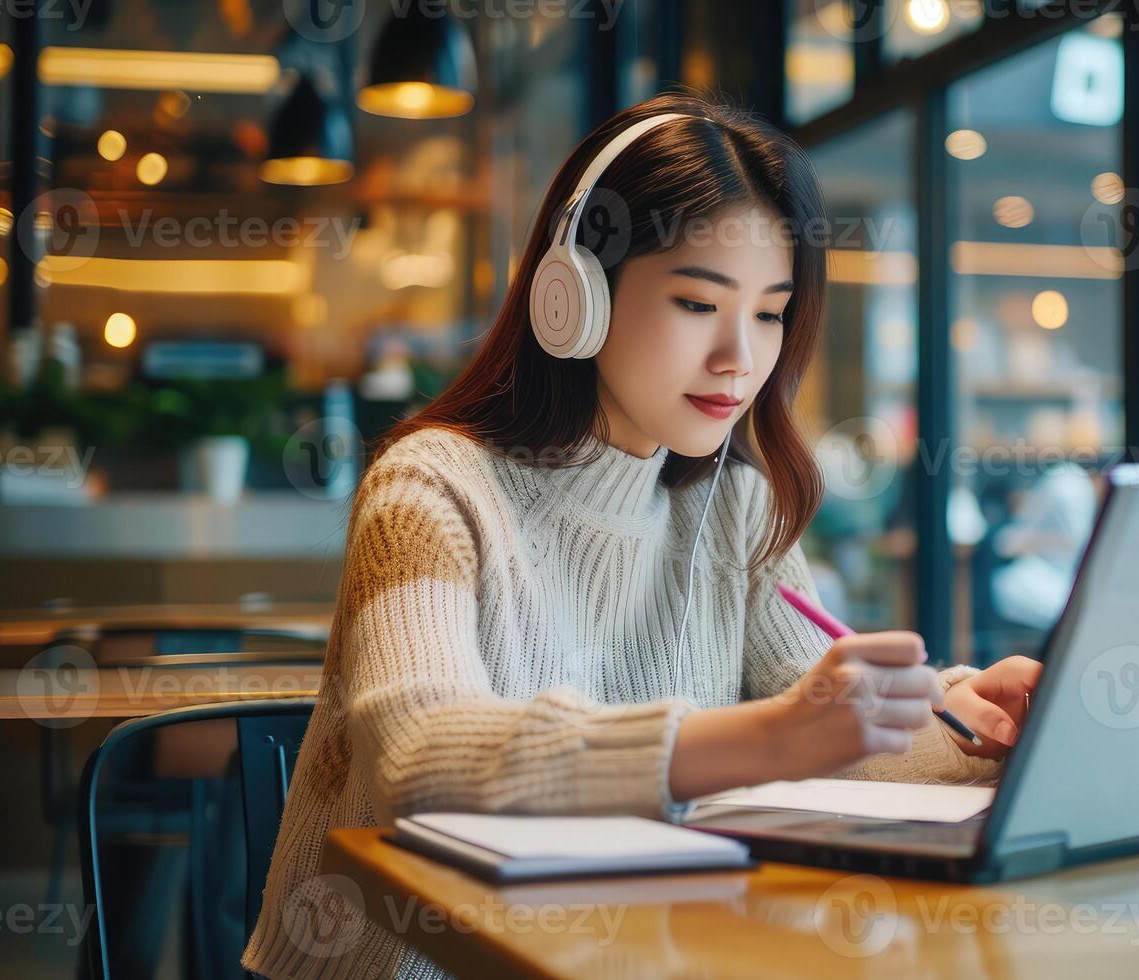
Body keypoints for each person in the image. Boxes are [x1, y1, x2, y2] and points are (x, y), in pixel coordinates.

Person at [241, 92, 1043, 980]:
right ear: (571, 294)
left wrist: (972, 728)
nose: (740, 356)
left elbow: (819, 749)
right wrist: (775, 736)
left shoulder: (732, 507)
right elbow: (416, 758)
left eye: (771, 312)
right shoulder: (429, 489)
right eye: (698, 303)